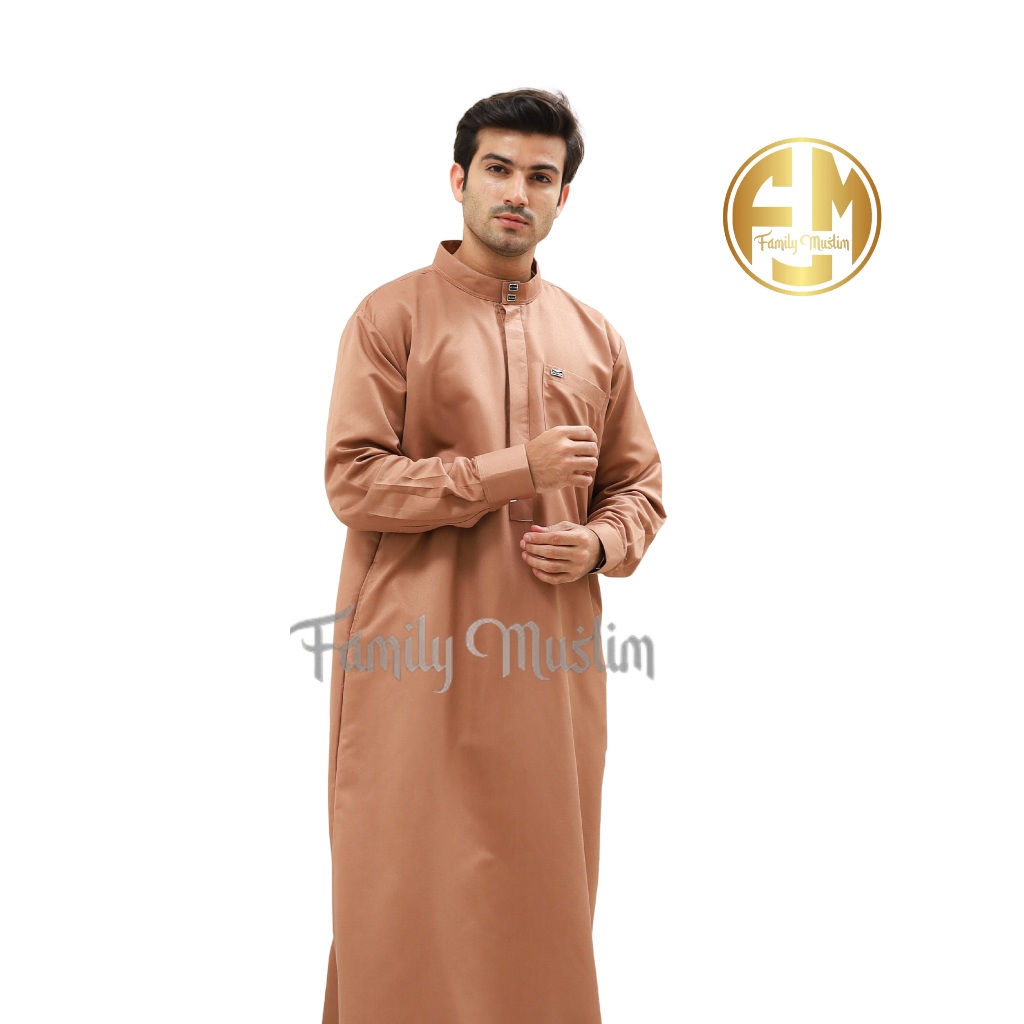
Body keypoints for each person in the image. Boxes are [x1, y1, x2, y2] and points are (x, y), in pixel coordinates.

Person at [321, 87, 666, 1024]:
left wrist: (599, 542)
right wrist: (515, 470)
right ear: (459, 180)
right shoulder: (390, 318)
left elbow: (639, 487)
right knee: (399, 892)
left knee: (540, 899)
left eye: (540, 176)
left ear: (563, 197)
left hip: (548, 668)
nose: (518, 191)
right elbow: (353, 481)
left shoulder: (593, 337)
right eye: (499, 169)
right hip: (413, 662)